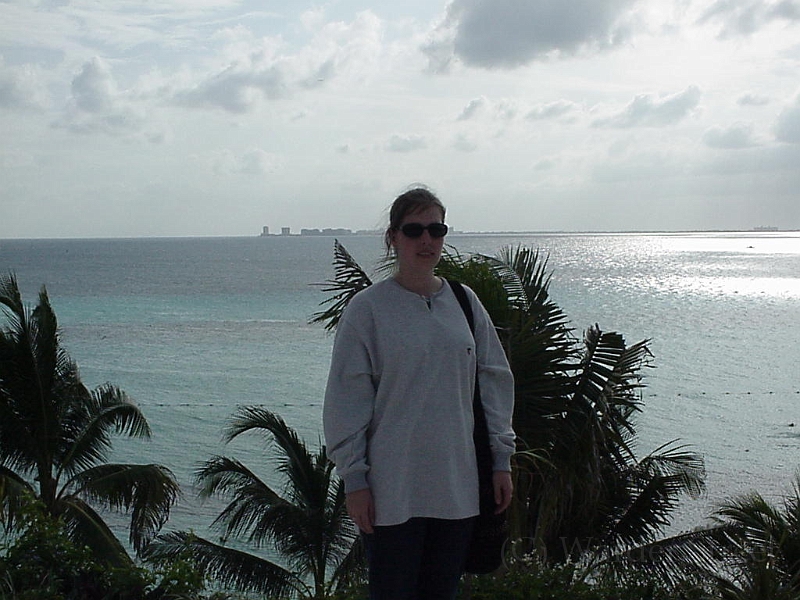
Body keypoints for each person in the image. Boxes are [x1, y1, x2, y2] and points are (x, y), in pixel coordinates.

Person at [323, 187, 515, 600]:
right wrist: (355, 480)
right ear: (393, 237)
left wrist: (501, 460)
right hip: (393, 492)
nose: (426, 240)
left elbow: (495, 381)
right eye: (414, 230)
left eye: (436, 229)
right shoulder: (367, 309)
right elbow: (346, 398)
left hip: (457, 489)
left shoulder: (465, 302)